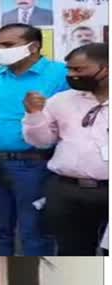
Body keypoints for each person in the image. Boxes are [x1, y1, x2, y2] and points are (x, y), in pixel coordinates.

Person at [0, 24, 68, 256]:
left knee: (35, 232)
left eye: (8, 45)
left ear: (33, 47)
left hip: (37, 164)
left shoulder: (61, 74)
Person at [22, 43, 108, 255]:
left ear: (105, 68)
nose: (71, 75)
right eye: (69, 69)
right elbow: (42, 141)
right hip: (69, 190)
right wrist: (34, 115)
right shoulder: (61, 101)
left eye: (78, 70)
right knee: (73, 252)